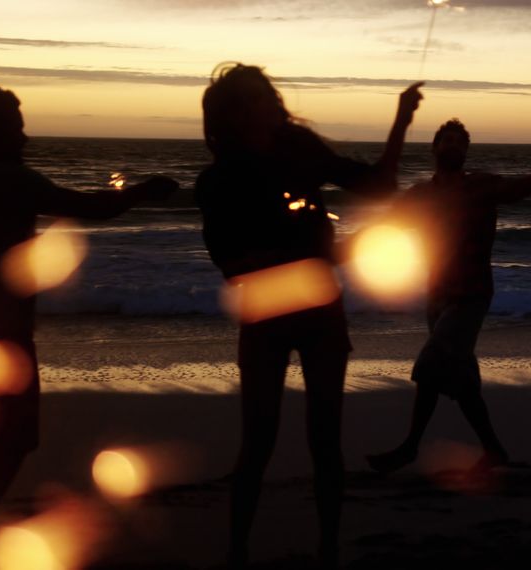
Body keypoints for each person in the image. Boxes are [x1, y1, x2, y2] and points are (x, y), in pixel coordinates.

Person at [195, 63, 422, 568]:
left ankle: (327, 549)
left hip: (320, 312)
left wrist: (401, 121)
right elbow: (233, 267)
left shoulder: (299, 150)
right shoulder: (218, 181)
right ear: (234, 114)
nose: (273, 104)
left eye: (271, 94)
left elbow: (379, 186)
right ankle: (238, 551)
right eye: (259, 98)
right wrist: (335, 255)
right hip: (267, 315)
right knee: (259, 439)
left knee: (326, 437)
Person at [0, 86, 177, 519]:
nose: (25, 138)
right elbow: (89, 208)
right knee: (16, 436)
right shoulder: (10, 178)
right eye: (17, 128)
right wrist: (142, 191)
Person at [364, 119, 531, 475]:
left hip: (470, 297)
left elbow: (530, 184)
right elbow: (381, 227)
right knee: (463, 382)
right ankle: (494, 450)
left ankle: (410, 447)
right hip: (437, 299)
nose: (453, 145)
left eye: (460, 141)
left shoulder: (481, 187)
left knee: (430, 364)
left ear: (466, 151)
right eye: (447, 140)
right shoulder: (420, 194)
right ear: (435, 147)